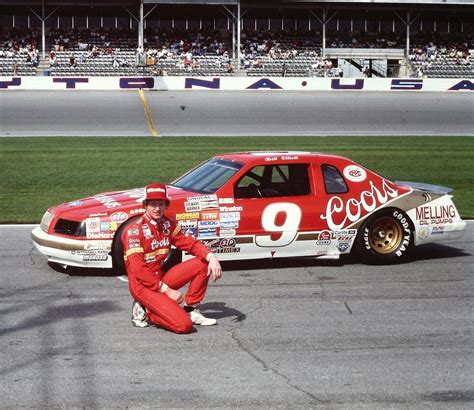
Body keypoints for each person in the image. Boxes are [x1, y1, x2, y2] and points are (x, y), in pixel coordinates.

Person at [122, 183, 222, 333]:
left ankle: (190, 309)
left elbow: (190, 243)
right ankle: (149, 312)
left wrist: (211, 256)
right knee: (184, 326)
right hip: (143, 285)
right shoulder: (133, 231)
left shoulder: (167, 225)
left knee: (203, 262)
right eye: (153, 204)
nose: (157, 208)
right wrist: (168, 291)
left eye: (161, 204)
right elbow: (139, 271)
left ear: (166, 205)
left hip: (160, 279)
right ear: (145, 205)